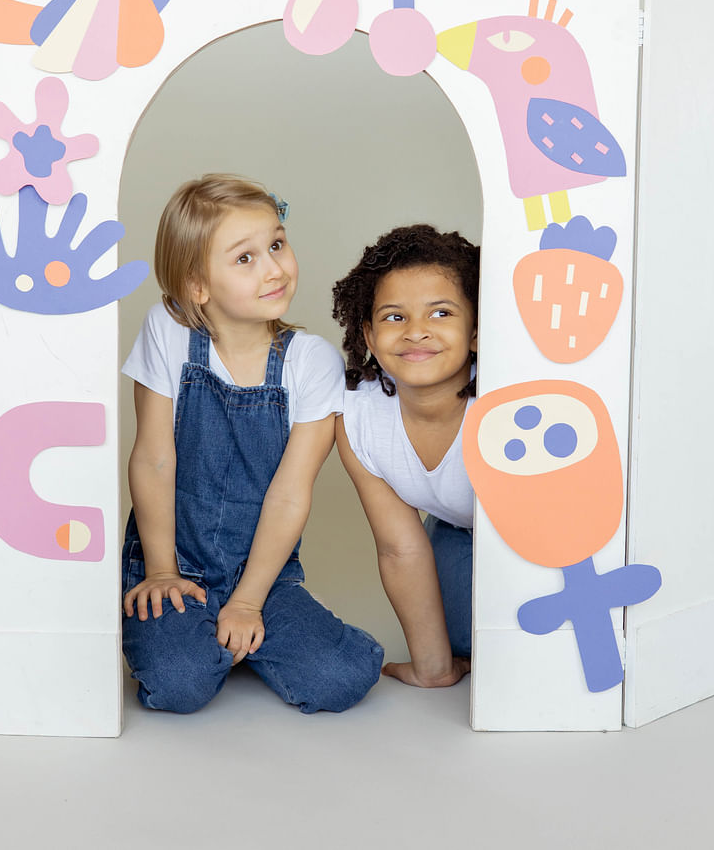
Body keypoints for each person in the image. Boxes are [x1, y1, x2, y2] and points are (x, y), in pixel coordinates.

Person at [121, 174, 383, 714]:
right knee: (178, 684)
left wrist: (246, 600)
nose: (274, 268)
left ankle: (240, 627)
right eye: (245, 258)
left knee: (341, 678)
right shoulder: (167, 332)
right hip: (173, 559)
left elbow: (291, 493)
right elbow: (152, 458)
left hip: (266, 571)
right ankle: (200, 636)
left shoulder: (311, 362)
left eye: (277, 244)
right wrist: (161, 571)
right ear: (197, 286)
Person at [332, 224, 479, 689]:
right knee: (461, 639)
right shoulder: (359, 418)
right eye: (395, 317)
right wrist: (432, 669)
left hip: (535, 535)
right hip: (458, 528)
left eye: (440, 313)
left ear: (476, 332)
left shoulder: (506, 404)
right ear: (370, 339)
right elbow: (400, 546)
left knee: (524, 638)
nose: (417, 332)